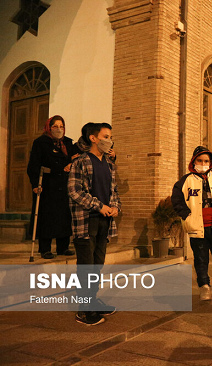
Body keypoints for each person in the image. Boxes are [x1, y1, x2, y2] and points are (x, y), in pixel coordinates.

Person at [68, 122, 121, 325]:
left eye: (109, 137)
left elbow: (113, 191)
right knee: (86, 267)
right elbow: (75, 191)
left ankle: (93, 301)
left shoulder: (108, 164)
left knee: (97, 265)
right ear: (93, 138)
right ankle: (84, 310)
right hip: (86, 221)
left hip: (104, 222)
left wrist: (115, 206)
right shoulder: (80, 161)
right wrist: (99, 206)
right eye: (105, 136)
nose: (109, 141)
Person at [171, 146, 212, 301]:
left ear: (211, 162)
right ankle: (204, 286)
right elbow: (177, 201)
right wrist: (186, 216)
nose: (203, 163)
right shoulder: (186, 181)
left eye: (206, 161)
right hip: (197, 227)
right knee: (201, 259)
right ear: (194, 161)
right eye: (200, 160)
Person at [27, 115, 76, 259]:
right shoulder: (41, 142)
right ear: (49, 127)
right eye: (55, 126)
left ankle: (63, 247)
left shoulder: (67, 143)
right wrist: (35, 184)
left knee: (64, 216)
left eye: (61, 126)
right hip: (47, 185)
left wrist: (71, 164)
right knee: (46, 217)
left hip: (64, 185)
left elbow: (76, 158)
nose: (59, 129)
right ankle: (45, 249)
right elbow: (33, 165)